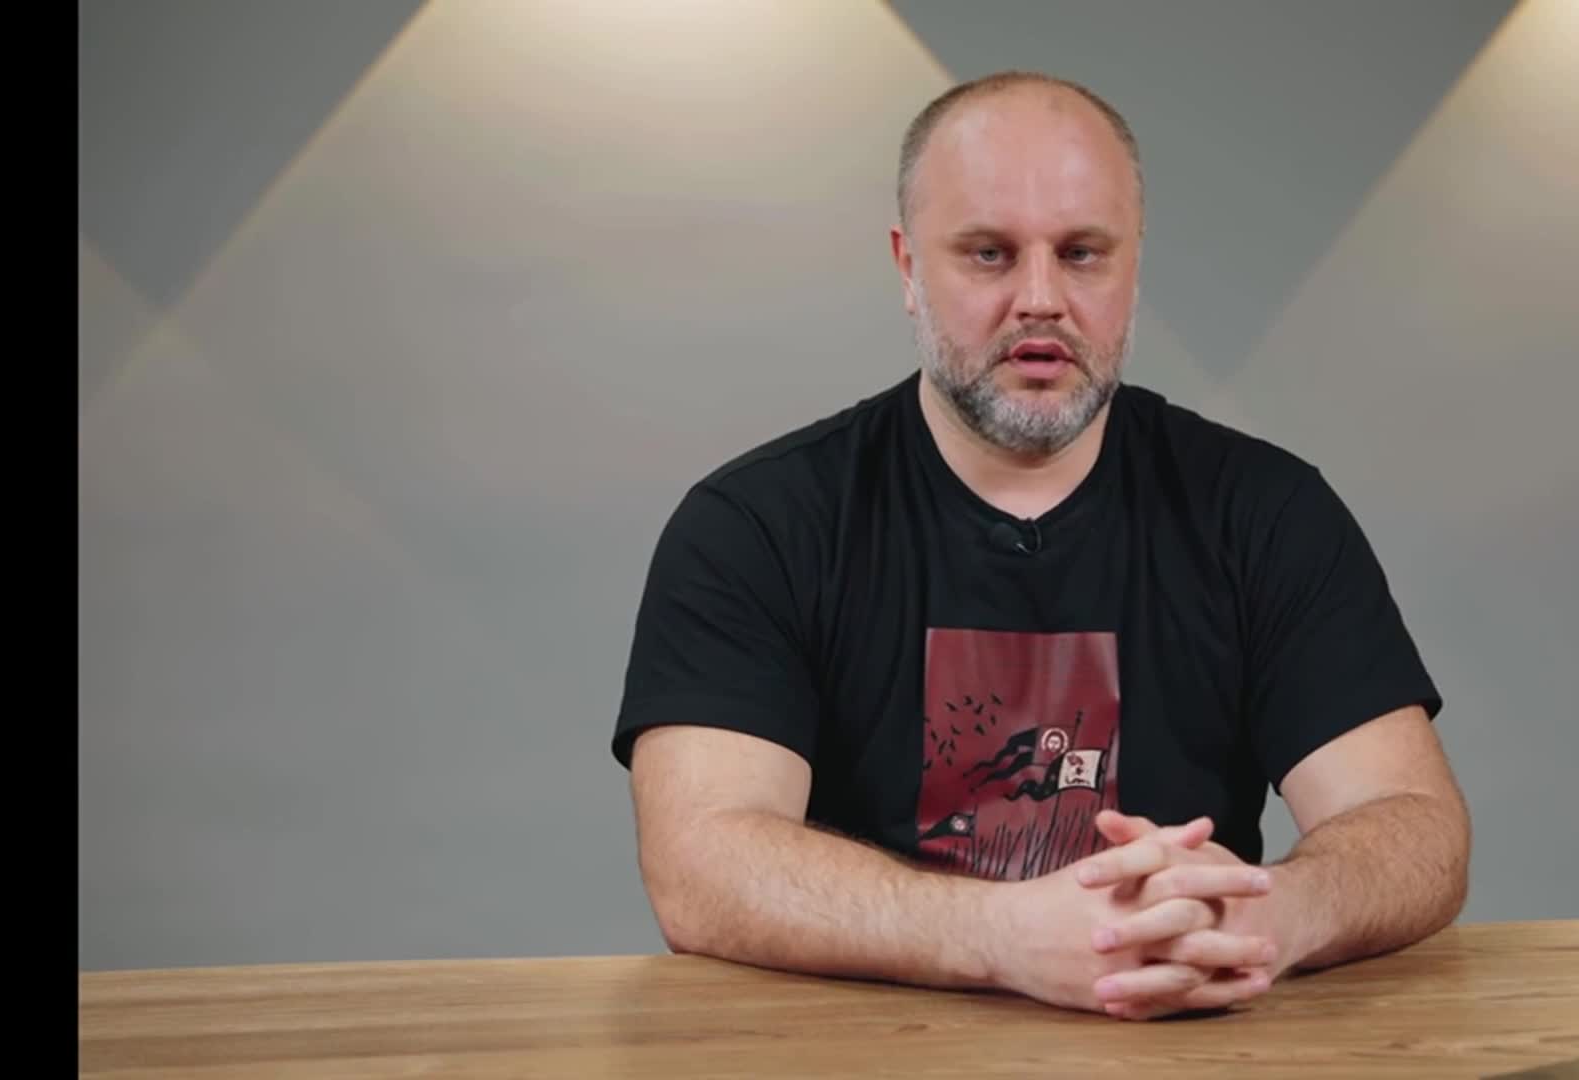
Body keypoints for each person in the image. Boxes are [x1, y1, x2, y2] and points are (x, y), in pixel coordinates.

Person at [612, 70, 1472, 1021]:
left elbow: (1415, 826)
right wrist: (1004, 937)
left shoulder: (1267, 512)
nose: (1040, 299)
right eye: (988, 253)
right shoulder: (757, 525)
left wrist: (1270, 916)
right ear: (907, 267)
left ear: (1134, 266)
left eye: (1082, 254)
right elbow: (700, 864)